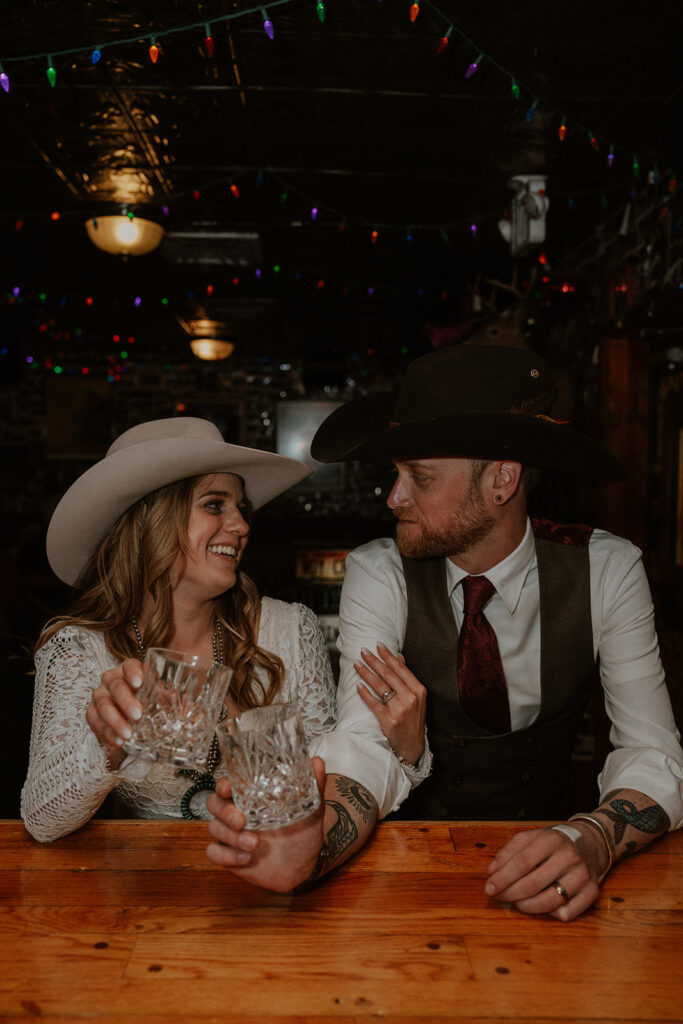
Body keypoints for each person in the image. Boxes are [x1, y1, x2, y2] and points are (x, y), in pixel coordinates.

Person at [206, 344, 683, 921]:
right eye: (396, 474)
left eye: (420, 478)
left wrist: (594, 838)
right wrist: (319, 844)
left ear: (502, 480)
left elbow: (652, 751)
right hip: (408, 870)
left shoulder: (607, 570)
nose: (393, 497)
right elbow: (365, 741)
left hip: (546, 865)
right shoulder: (378, 571)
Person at [21, 417, 337, 841]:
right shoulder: (79, 649)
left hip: (269, 874)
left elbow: (328, 794)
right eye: (214, 504)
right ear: (150, 523)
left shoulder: (290, 629)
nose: (242, 526)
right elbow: (43, 822)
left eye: (240, 508)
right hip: (144, 887)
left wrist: (231, 709)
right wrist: (108, 747)